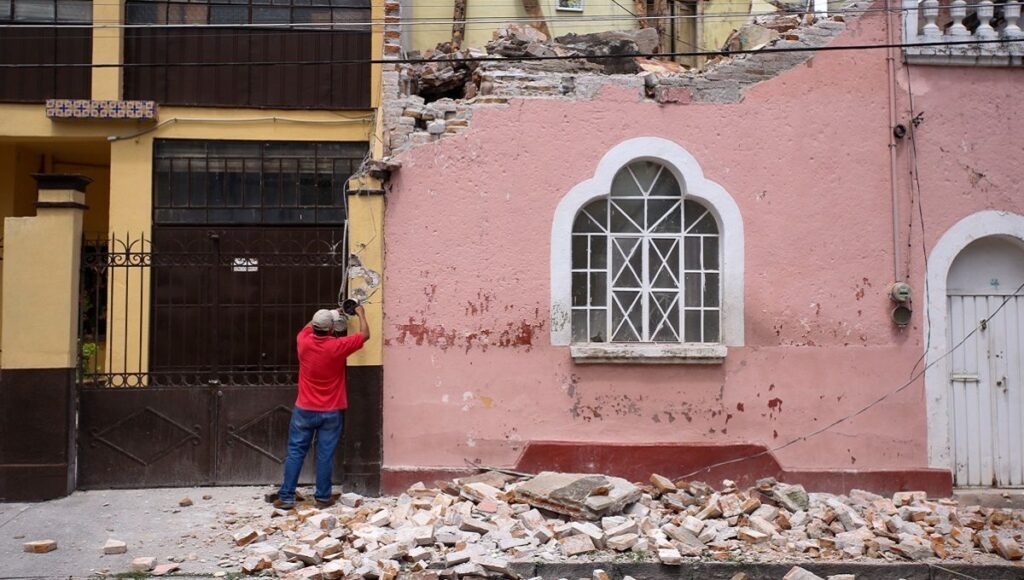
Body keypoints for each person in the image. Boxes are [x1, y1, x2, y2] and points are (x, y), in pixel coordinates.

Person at [275, 304, 369, 509]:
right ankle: (323, 497)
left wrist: (330, 313)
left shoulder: (303, 340)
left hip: (304, 410)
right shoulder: (337, 346)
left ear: (315, 327)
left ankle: (287, 496)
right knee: (325, 455)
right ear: (332, 329)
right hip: (331, 411)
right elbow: (365, 335)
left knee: (295, 453)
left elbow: (307, 326)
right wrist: (360, 313)